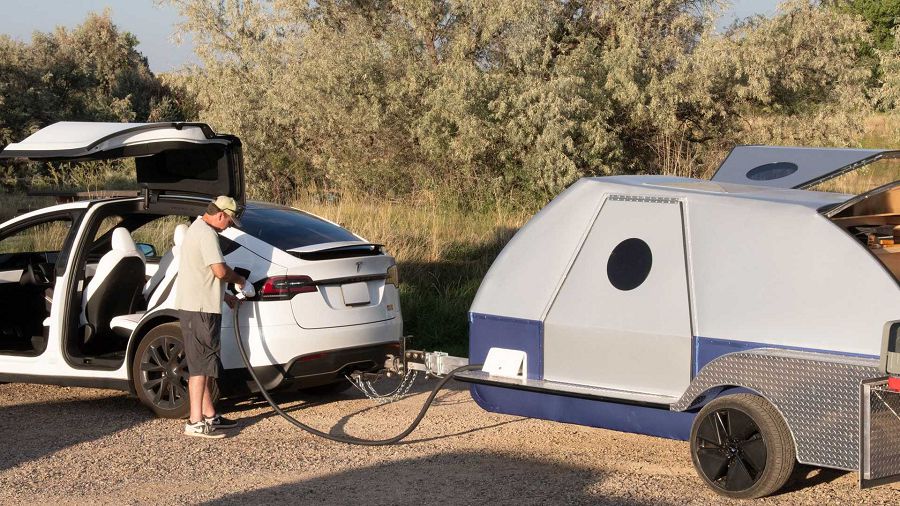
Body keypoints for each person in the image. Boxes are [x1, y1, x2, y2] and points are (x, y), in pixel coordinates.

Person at [175, 195, 247, 438]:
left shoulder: (197, 229)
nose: (228, 225)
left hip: (197, 306)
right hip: (200, 310)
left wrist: (226, 297)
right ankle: (195, 422)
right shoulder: (206, 234)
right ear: (220, 215)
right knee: (200, 366)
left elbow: (202, 273)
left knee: (203, 363)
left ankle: (209, 415)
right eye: (229, 221)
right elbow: (218, 270)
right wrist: (240, 281)